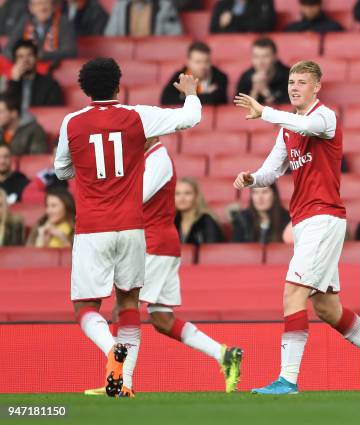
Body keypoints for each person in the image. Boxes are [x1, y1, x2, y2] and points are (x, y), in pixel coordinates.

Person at [233, 60, 360, 395]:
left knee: (292, 292)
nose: (294, 87)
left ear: (316, 87)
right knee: (327, 308)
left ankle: (288, 379)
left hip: (323, 218)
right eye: (291, 82)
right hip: (303, 221)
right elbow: (272, 171)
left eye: (301, 82)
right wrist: (252, 178)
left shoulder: (325, 117)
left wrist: (265, 112)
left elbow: (309, 126)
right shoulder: (288, 128)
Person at [53, 57, 202, 397]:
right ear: (118, 85)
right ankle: (123, 383)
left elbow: (62, 171)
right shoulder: (138, 116)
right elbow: (191, 117)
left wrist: (87, 171)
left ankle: (110, 350)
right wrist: (191, 93)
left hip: (93, 228)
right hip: (133, 228)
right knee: (129, 304)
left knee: (86, 308)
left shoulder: (71, 123)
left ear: (84, 88)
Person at [84, 138, 243, 396]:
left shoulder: (158, 159)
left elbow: (134, 199)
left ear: (154, 134)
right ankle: (223, 355)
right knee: (162, 318)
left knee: (125, 306)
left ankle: (122, 382)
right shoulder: (149, 158)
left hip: (152, 243)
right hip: (159, 242)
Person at [0, 39, 64, 116]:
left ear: (36, 58)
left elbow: (53, 114)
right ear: (14, 61)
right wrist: (14, 81)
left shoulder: (50, 84)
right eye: (20, 57)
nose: (25, 60)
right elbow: (5, 111)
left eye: (29, 55)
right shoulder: (7, 83)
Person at [4, 0, 77, 65]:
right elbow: (8, 49)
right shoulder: (26, 21)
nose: (42, 8)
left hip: (53, 71)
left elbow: (70, 51)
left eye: (45, 3)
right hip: (27, 71)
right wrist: (21, 58)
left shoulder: (63, 22)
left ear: (52, 6)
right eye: (38, 4)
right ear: (31, 8)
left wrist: (42, 55)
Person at [161, 42, 228, 106]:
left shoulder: (220, 77)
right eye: (198, 62)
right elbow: (166, 100)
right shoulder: (180, 76)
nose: (203, 66)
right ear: (188, 62)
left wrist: (185, 97)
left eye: (206, 61)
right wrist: (206, 94)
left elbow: (216, 100)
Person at [236, 38, 290, 105]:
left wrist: (266, 91)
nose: (260, 62)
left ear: (275, 57)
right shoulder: (246, 77)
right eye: (256, 57)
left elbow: (289, 110)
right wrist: (255, 90)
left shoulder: (289, 76)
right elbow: (239, 110)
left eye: (265, 56)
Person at [174, 177, 225, 245]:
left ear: (196, 196)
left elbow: (211, 251)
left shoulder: (207, 221)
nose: (182, 198)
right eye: (177, 194)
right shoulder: (171, 222)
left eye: (187, 193)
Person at [104, 0, 183, 36]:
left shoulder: (164, 6)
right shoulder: (120, 6)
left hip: (155, 53)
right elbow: (110, 36)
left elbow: (176, 35)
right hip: (125, 55)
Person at [210, 0, 275, 33]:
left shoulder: (263, 2)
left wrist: (233, 19)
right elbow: (213, 29)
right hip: (226, 43)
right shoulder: (222, 4)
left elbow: (266, 25)